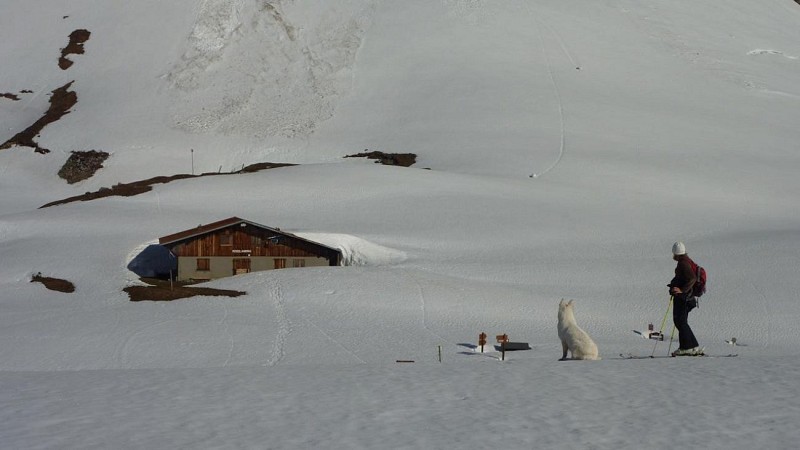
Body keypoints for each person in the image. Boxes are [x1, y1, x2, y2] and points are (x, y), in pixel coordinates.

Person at [668, 241, 703, 356]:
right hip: (688, 297)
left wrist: (682, 291)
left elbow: (691, 278)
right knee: (681, 322)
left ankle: (686, 347)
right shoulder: (686, 261)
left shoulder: (683, 263)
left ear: (675, 253)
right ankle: (693, 347)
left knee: (680, 321)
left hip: (684, 298)